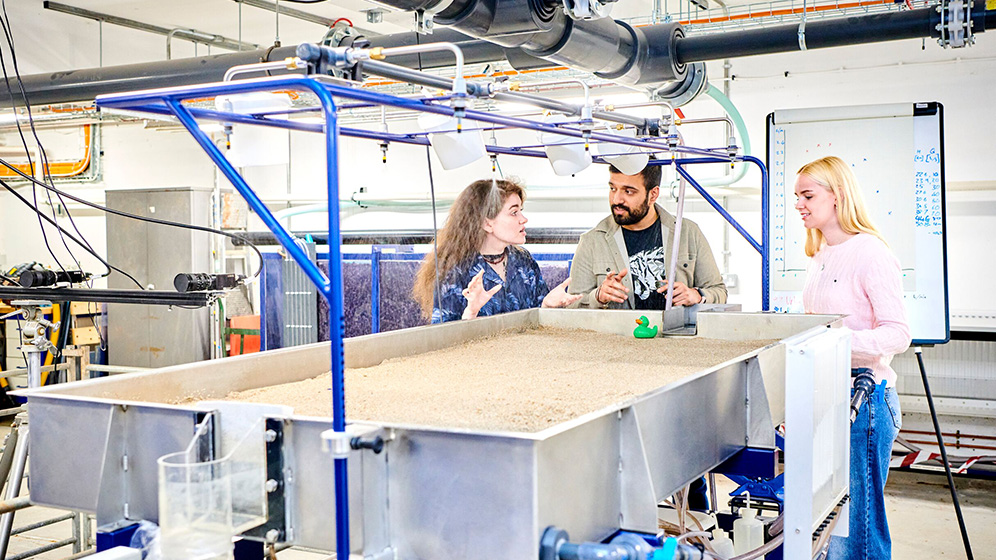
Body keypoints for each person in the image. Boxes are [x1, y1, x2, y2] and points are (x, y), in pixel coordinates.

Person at [794, 156, 911, 560]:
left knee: (859, 531)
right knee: (835, 526)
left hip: (866, 402)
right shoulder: (821, 252)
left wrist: (836, 340)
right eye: (797, 196)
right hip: (831, 396)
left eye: (808, 195)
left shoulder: (870, 253)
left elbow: (898, 333)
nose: (799, 204)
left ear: (838, 195)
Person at [413, 178, 580, 323]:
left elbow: (536, 320)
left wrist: (547, 305)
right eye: (514, 212)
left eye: (521, 211)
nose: (523, 219)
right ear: (487, 223)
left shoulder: (523, 260)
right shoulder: (454, 268)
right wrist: (470, 314)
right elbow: (442, 338)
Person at [568, 162, 727, 310]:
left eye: (628, 191)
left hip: (676, 338)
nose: (617, 199)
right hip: (617, 339)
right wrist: (598, 297)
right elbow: (570, 306)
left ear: (653, 194)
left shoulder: (687, 232)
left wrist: (697, 295)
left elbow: (719, 292)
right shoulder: (592, 241)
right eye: (613, 189)